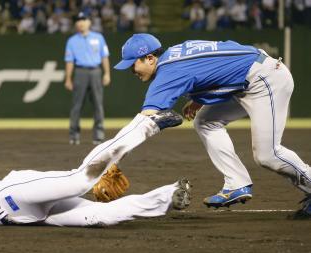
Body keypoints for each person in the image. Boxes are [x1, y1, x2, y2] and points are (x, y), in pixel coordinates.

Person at [113, 33, 311, 217]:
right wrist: (200, 99)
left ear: (150, 58)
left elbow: (145, 120)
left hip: (265, 79)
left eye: (133, 64)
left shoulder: (168, 71)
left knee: (268, 155)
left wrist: (113, 158)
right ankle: (237, 183)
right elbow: (217, 60)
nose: (131, 70)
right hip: (252, 75)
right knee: (206, 121)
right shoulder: (177, 52)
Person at [0, 114, 191, 228]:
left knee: (79, 180)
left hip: (12, 193)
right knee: (98, 215)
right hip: (26, 216)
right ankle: (168, 196)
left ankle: (144, 125)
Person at [64, 12, 111, 145]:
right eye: (78, 20)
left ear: (89, 22)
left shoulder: (98, 37)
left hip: (96, 71)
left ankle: (99, 135)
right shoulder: (72, 40)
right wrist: (68, 78)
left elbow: (104, 57)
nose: (81, 22)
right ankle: (74, 135)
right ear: (75, 23)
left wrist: (107, 73)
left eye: (83, 19)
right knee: (77, 105)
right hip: (80, 72)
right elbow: (69, 61)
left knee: (98, 104)